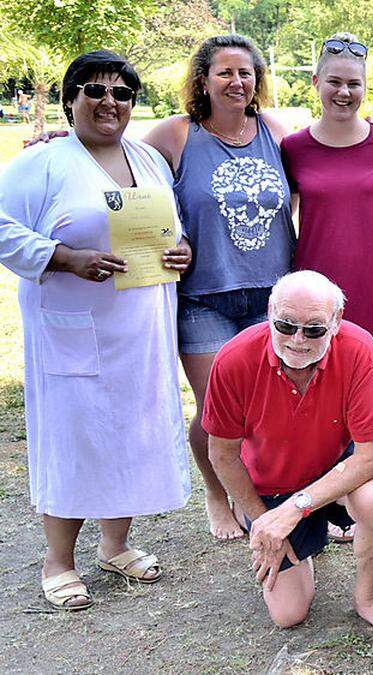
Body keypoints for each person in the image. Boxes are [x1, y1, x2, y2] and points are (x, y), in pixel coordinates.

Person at [0, 51, 192, 611]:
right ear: (70, 100)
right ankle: (58, 560)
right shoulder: (43, 163)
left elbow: (168, 229)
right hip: (74, 326)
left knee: (130, 428)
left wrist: (182, 250)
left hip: (140, 325)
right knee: (74, 434)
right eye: (95, 90)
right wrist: (62, 257)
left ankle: (116, 545)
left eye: (122, 92)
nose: (110, 101)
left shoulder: (148, 160)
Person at [139, 34, 296, 540]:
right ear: (202, 80)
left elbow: (326, 163)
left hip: (273, 296)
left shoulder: (274, 130)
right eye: (224, 72)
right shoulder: (177, 135)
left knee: (268, 409)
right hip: (203, 297)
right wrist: (67, 137)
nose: (236, 81)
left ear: (258, 80)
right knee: (217, 412)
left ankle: (276, 497)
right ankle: (215, 489)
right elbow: (116, 170)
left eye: (246, 73)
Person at [202, 271, 373, 639]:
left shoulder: (360, 350)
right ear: (269, 313)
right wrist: (265, 520)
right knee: (289, 614)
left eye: (314, 329)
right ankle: (299, 539)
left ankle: (367, 598)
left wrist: (294, 510)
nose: (298, 340)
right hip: (270, 483)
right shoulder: (233, 359)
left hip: (333, 470)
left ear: (336, 322)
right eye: (285, 325)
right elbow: (222, 455)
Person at [282, 34, 373, 442]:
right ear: (315, 81)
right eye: (335, 81)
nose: (344, 92)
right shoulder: (294, 148)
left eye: (354, 84)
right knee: (314, 411)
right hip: (314, 301)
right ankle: (319, 502)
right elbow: (282, 217)